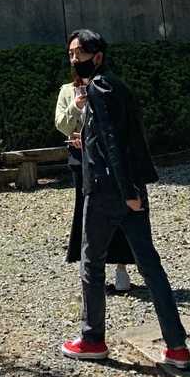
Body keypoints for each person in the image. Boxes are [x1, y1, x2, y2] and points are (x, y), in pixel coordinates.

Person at [61, 29, 190, 369]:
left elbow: (114, 142)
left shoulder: (98, 88)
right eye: (71, 54)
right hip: (128, 187)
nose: (74, 60)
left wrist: (127, 191)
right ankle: (177, 346)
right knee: (150, 266)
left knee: (92, 263)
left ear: (98, 56)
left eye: (79, 54)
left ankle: (92, 339)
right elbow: (120, 137)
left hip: (107, 190)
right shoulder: (116, 86)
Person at [55, 59, 134, 295]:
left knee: (116, 209)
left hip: (107, 160)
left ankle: (121, 268)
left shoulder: (105, 87)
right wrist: (75, 107)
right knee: (86, 213)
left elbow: (117, 123)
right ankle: (91, 274)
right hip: (80, 160)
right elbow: (61, 125)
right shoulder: (67, 91)